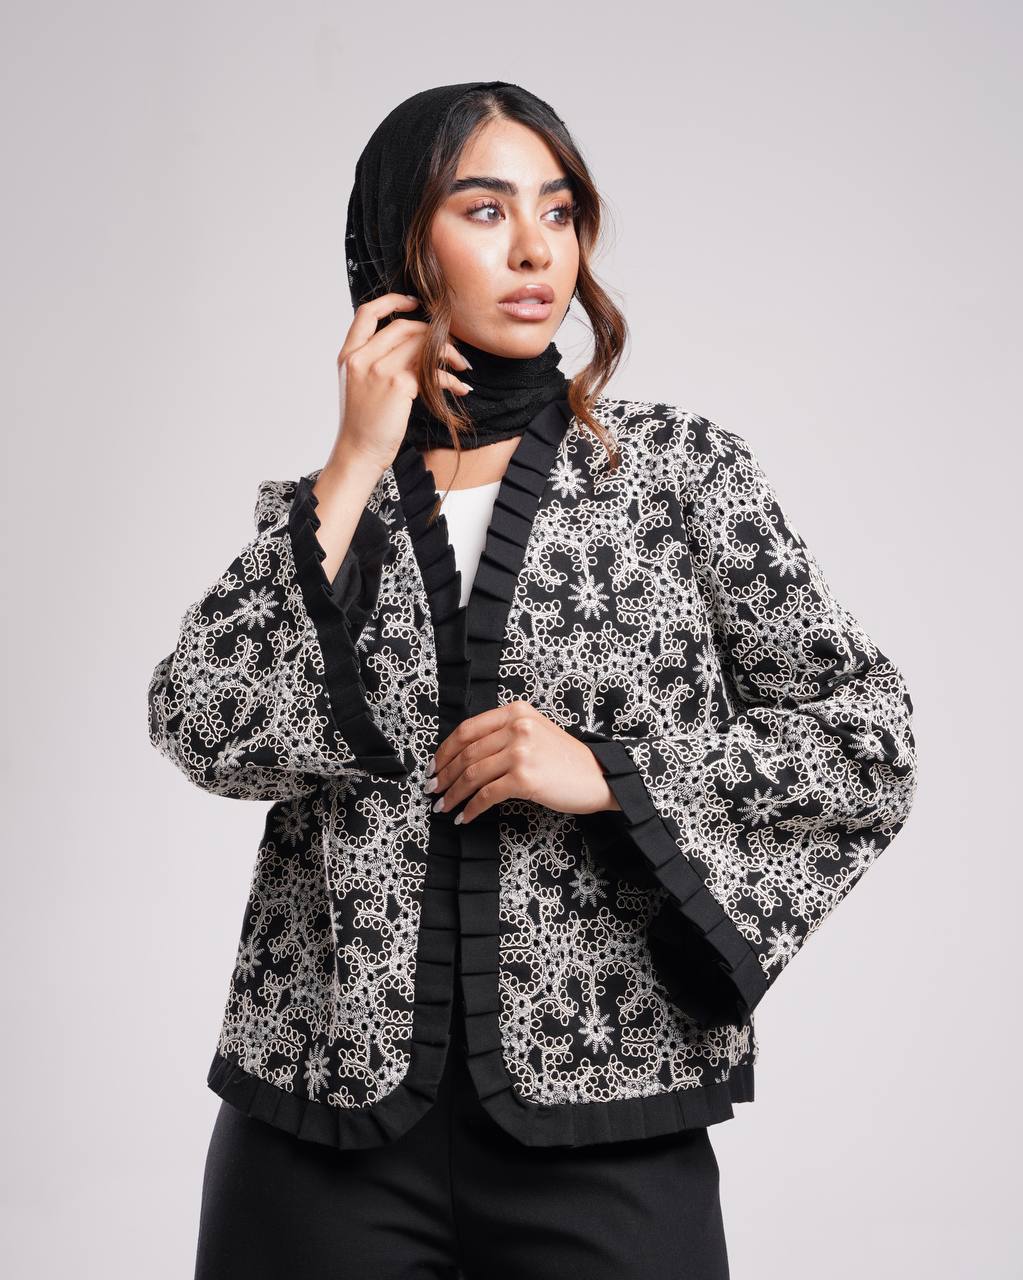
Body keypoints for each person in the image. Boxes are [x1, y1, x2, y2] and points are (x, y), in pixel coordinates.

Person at [147, 81, 918, 1280]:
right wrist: (353, 455)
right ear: (399, 243)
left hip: (610, 1118)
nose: (534, 249)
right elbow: (199, 719)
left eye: (558, 211)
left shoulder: (677, 473)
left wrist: (609, 771)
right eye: (485, 209)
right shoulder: (324, 513)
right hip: (320, 1119)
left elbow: (869, 741)